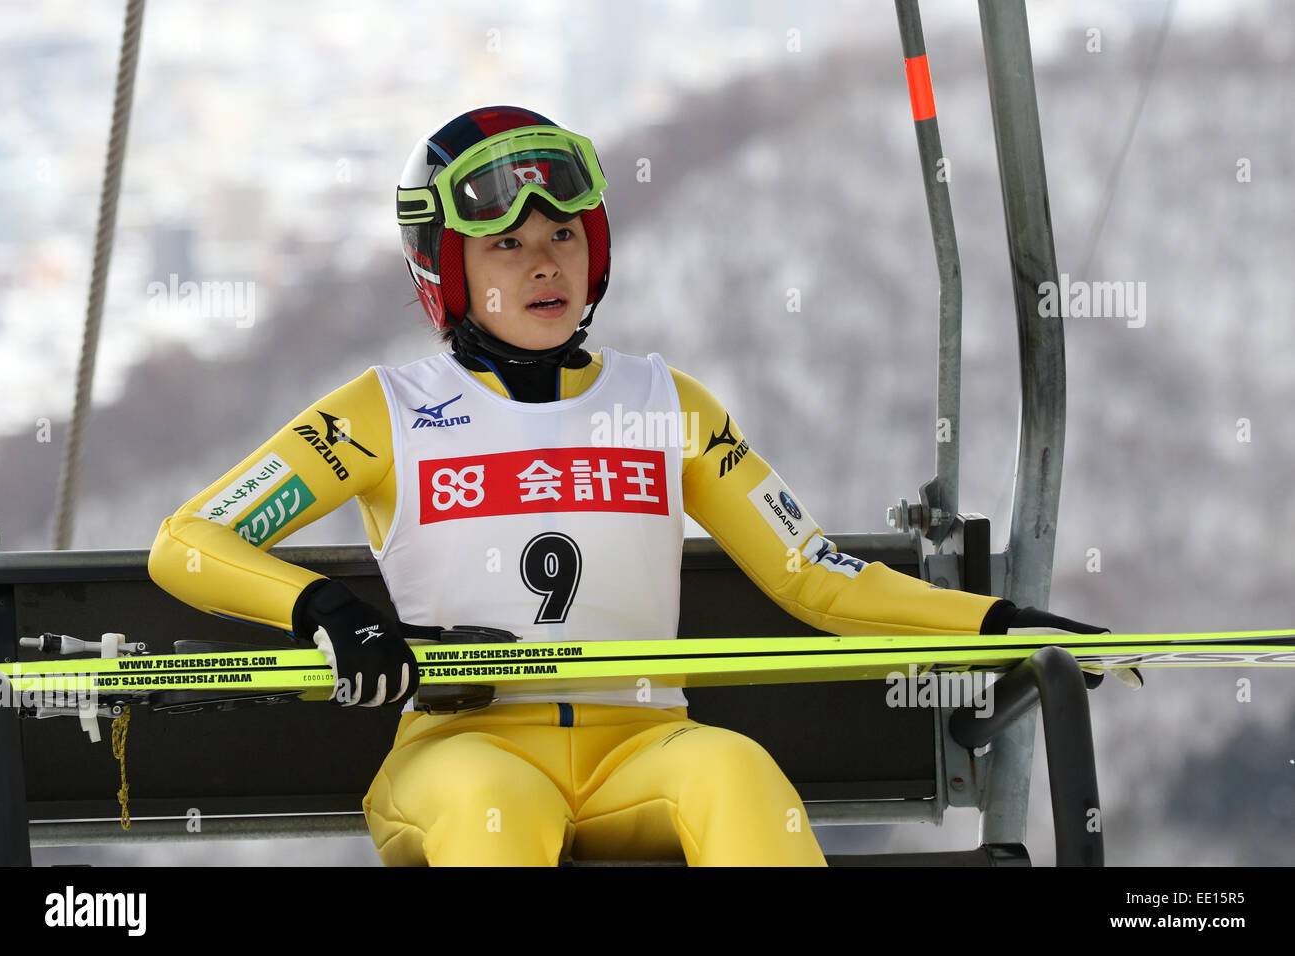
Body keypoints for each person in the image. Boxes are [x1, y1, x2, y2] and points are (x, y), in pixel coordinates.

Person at [148, 105, 1126, 867]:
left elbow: (816, 575)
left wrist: (1002, 626)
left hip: (641, 744)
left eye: (563, 237)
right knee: (498, 812)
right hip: (460, 751)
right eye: (507, 246)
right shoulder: (382, 411)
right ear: (445, 266)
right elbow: (188, 538)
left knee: (738, 771)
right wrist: (326, 608)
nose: (544, 265)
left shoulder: (669, 404)